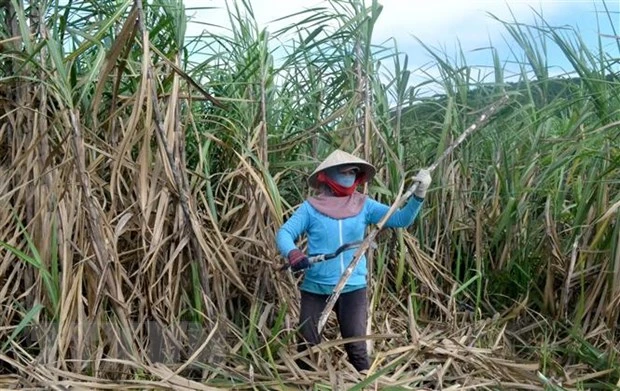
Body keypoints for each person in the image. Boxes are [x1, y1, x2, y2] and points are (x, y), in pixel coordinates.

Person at [275, 149, 432, 372]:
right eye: (344, 172)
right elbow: (284, 233)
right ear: (327, 175)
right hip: (315, 288)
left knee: (356, 346)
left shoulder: (364, 205)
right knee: (306, 346)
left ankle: (366, 383)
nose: (349, 176)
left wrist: (419, 195)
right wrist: (293, 253)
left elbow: (401, 219)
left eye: (353, 172)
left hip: (352, 288)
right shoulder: (310, 208)